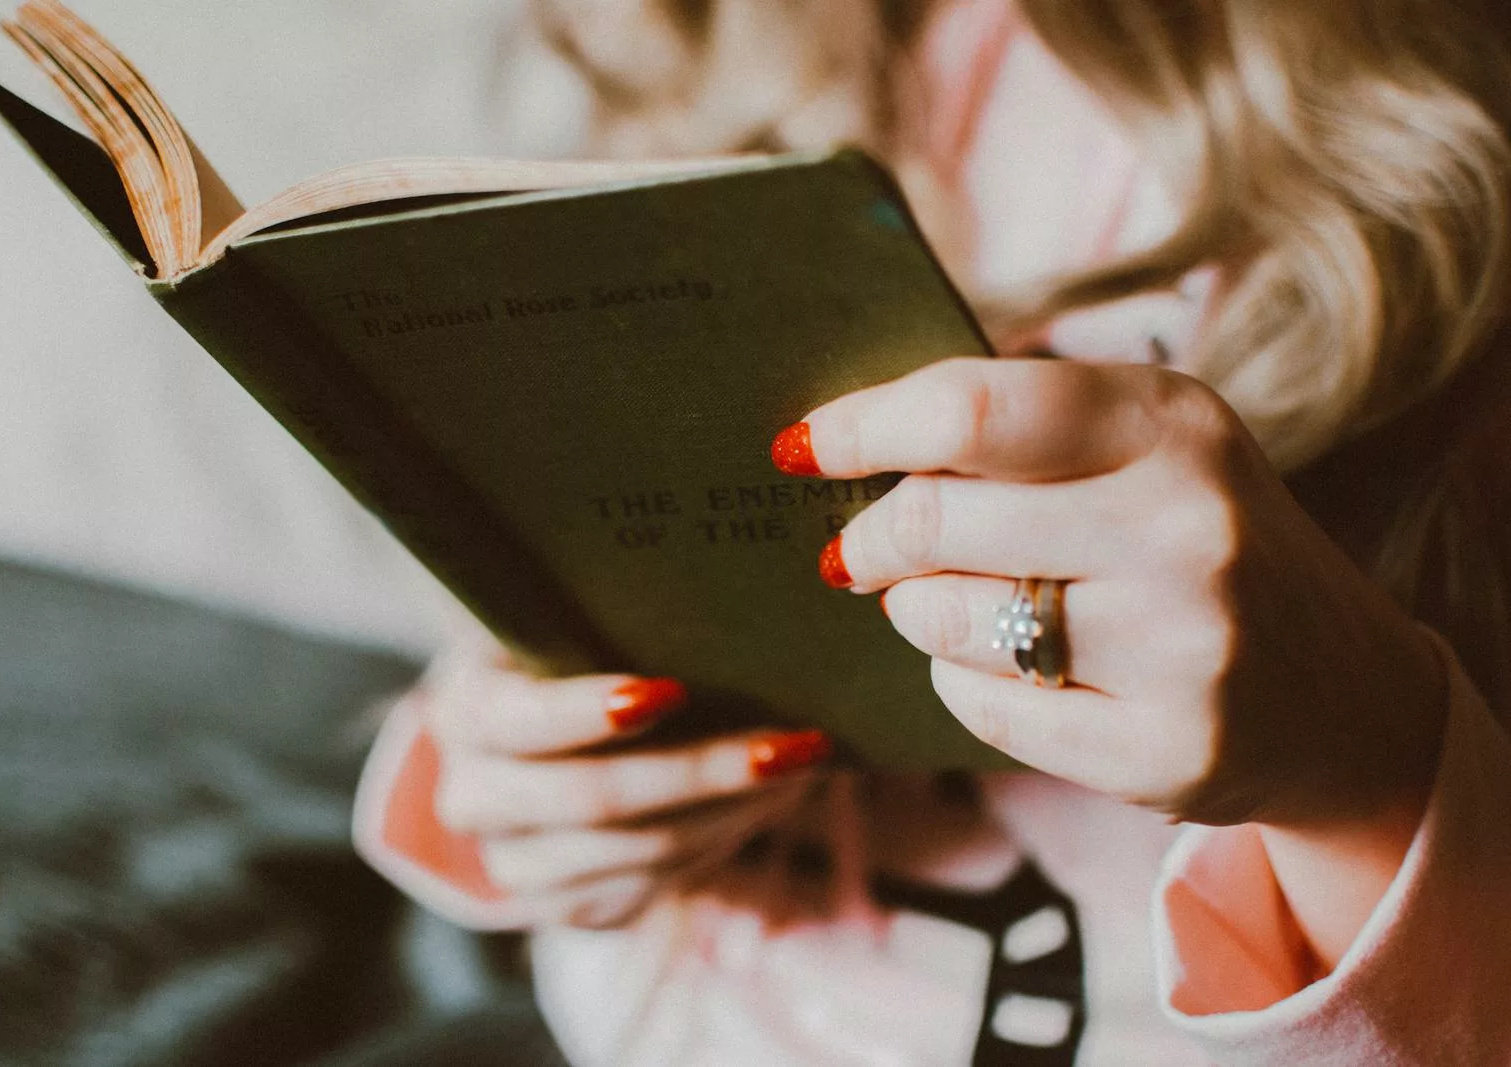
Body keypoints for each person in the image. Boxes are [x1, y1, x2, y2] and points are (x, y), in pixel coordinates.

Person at [353, 0, 1511, 1062]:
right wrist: (516, 781)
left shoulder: (1443, 148)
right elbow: (589, 611)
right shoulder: (724, 38)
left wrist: (1361, 760)